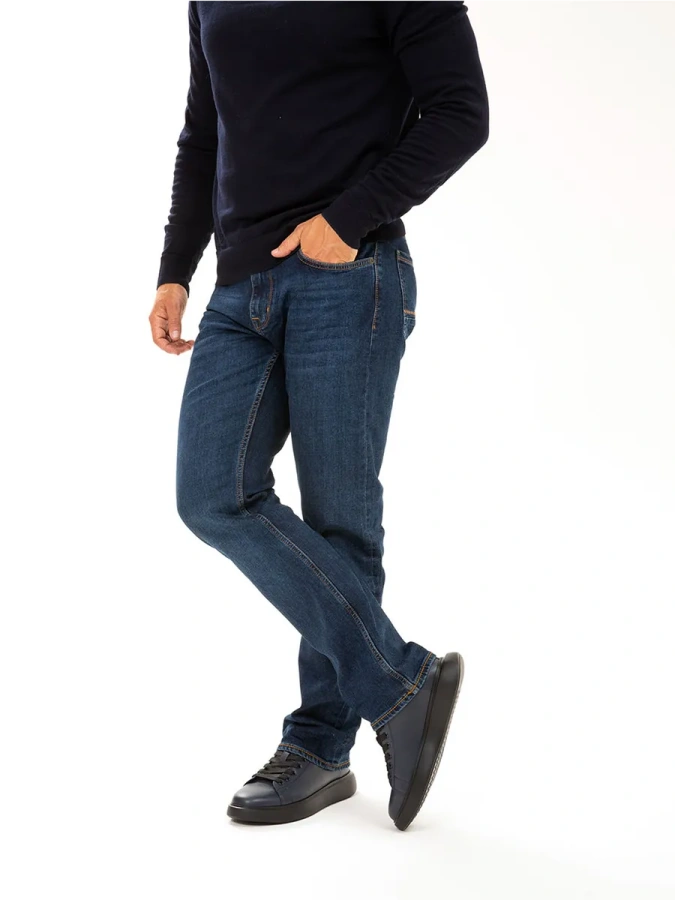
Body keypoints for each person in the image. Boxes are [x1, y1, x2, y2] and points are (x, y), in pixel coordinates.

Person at [149, 0, 488, 831]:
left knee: (340, 520)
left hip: (351, 273)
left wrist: (346, 218)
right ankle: (399, 684)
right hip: (241, 288)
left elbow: (460, 111)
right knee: (212, 495)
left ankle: (319, 745)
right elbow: (205, 133)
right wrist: (175, 268)